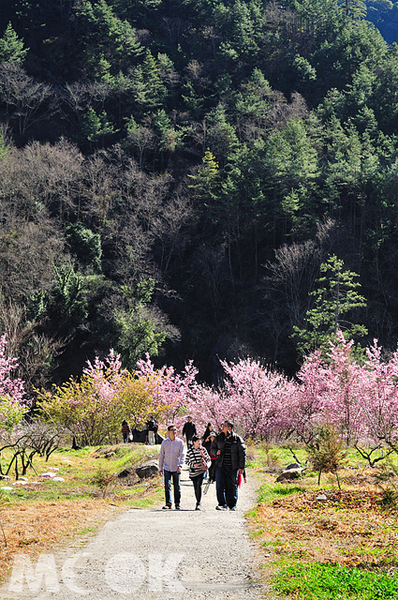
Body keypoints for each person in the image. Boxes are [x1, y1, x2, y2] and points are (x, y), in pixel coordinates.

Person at [211, 421, 246, 511]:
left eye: (225, 426)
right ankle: (222, 504)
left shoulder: (237, 439)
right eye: (223, 425)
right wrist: (216, 452)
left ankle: (232, 505)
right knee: (219, 485)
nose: (222, 427)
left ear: (230, 428)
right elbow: (212, 449)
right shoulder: (218, 438)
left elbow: (242, 454)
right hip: (220, 465)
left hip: (233, 467)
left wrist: (241, 467)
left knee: (232, 486)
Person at [158, 424, 185, 510]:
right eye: (172, 430)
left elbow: (182, 455)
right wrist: (160, 468)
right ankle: (168, 503)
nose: (174, 432)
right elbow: (161, 455)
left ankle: (177, 503)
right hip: (167, 467)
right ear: (168, 432)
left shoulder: (180, 442)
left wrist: (180, 465)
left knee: (177, 486)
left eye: (175, 430)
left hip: (176, 467)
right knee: (167, 485)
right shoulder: (164, 442)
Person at [185, 435, 211, 510]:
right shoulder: (190, 451)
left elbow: (208, 459)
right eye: (197, 441)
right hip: (193, 472)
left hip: (201, 471)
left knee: (199, 485)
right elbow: (186, 461)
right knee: (196, 487)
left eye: (200, 441)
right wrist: (193, 465)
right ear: (193, 442)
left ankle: (198, 503)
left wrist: (204, 456)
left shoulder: (203, 449)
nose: (199, 442)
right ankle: (197, 500)